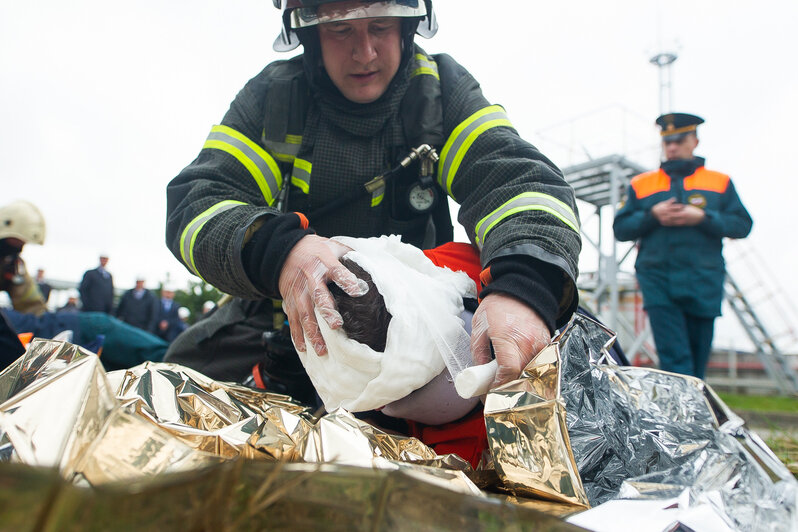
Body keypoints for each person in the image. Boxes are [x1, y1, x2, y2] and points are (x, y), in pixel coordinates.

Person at [165, 0, 581, 391]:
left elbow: (516, 181)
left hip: (420, 325)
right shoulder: (275, 97)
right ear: (310, 35)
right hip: (284, 319)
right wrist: (280, 254)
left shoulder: (440, 91)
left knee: (563, 370)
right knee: (176, 385)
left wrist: (524, 286)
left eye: (380, 25)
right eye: (341, 29)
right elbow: (198, 202)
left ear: (408, 26)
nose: (364, 52)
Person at [613, 112, 753, 378]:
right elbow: (621, 228)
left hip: (704, 281)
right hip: (658, 280)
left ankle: (694, 413)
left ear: (695, 141)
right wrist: (652, 215)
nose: (672, 147)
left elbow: (742, 225)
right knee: (675, 358)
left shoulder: (719, 182)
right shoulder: (641, 184)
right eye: (667, 142)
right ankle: (684, 417)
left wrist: (703, 217)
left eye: (679, 140)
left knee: (698, 360)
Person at [0, 201, 167, 371]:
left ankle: (176, 360)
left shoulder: (12, 265)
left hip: (45, 329)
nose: (18, 250)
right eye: (15, 244)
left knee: (114, 354)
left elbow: (33, 306)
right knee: (105, 330)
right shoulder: (92, 275)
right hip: (58, 328)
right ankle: (179, 359)